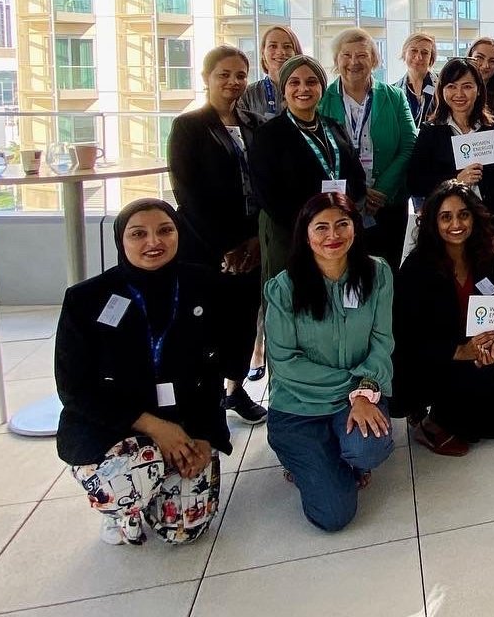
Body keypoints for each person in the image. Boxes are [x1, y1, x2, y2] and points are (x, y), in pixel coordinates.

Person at [55, 199, 233, 546]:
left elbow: (213, 372)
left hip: (185, 419)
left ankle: (157, 489)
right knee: (128, 479)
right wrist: (154, 427)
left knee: (185, 531)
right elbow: (74, 388)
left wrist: (205, 436)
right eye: (139, 234)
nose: (154, 242)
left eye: (165, 230)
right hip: (114, 426)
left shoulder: (206, 286)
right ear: (121, 240)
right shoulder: (86, 299)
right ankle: (125, 511)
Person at [265, 193, 395, 532]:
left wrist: (365, 394)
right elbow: (284, 362)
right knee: (334, 516)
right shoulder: (283, 289)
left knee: (371, 448)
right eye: (320, 227)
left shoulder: (377, 273)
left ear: (355, 227)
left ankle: (340, 457)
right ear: (305, 235)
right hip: (299, 408)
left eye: (342, 224)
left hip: (355, 400)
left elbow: (382, 342)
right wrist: (356, 386)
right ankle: (303, 458)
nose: (332, 235)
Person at [167, 45, 266, 424]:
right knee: (207, 323)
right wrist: (226, 247)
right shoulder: (189, 126)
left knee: (243, 321)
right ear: (206, 78)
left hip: (253, 242)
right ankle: (204, 400)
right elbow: (186, 192)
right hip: (207, 245)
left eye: (240, 75)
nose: (233, 82)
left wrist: (255, 240)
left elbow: (264, 184)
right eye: (223, 74)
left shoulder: (255, 124)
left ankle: (235, 390)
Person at [394, 182, 494, 455]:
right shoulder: (416, 268)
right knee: (470, 430)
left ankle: (454, 410)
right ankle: (426, 420)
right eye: (446, 217)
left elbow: (487, 308)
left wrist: (487, 343)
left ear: (474, 217)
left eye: (463, 214)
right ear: (433, 223)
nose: (456, 224)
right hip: (429, 360)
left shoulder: (483, 257)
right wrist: (459, 351)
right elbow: (406, 338)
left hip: (468, 348)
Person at [249, 55, 367, 285]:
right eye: (294, 82)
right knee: (293, 300)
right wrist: (310, 228)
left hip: (336, 233)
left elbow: (356, 178)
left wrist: (346, 217)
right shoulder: (269, 134)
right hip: (289, 234)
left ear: (322, 88)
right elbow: (267, 194)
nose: (303, 88)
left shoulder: (335, 127)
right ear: (284, 90)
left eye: (311, 82)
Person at [319, 28, 417, 267]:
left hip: (388, 203)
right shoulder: (322, 99)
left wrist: (382, 189)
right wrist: (358, 192)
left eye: (362, 55)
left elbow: (409, 144)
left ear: (374, 60)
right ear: (336, 61)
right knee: (343, 270)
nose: (354, 62)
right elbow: (318, 153)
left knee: (385, 268)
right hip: (339, 205)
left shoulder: (395, 97)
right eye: (346, 55)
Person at [405, 57, 494, 257]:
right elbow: (415, 181)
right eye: (451, 86)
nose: (459, 94)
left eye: (467, 86)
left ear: (479, 89)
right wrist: (455, 180)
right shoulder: (431, 131)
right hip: (445, 226)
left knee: (483, 286)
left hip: (486, 227)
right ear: (442, 90)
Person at [237, 25, 301, 120]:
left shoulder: (307, 90)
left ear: (296, 53)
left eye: (287, 46)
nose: (281, 52)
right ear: (263, 53)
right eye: (273, 46)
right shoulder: (248, 94)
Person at [396, 32, 438, 127]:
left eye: (425, 53)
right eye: (413, 51)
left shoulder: (443, 87)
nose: (419, 57)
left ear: (431, 58)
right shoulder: (394, 92)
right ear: (404, 53)